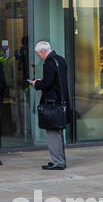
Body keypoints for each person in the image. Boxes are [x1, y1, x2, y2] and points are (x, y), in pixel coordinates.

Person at [30, 41, 72, 171]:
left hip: (52, 103)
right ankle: (60, 161)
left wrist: (36, 84)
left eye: (39, 54)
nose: (39, 57)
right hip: (62, 101)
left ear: (43, 51)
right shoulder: (60, 59)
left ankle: (58, 162)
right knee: (58, 134)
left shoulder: (49, 62)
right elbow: (56, 81)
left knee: (53, 135)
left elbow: (48, 83)